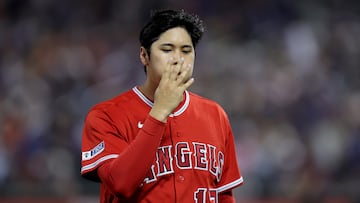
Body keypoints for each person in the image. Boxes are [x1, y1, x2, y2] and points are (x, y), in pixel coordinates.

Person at [81, 9, 244, 203]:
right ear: (144, 55)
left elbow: (224, 194)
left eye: (186, 50)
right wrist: (160, 111)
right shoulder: (106, 115)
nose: (178, 59)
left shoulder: (214, 114)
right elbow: (120, 183)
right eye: (167, 50)